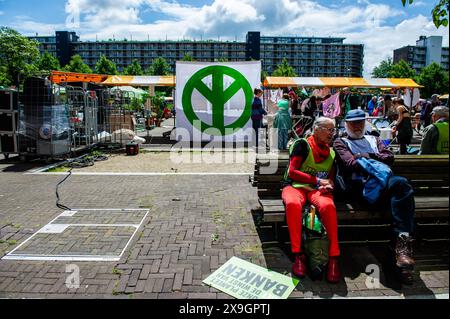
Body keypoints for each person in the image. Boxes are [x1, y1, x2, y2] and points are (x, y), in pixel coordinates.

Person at [333, 109, 416, 284]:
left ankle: (401, 245)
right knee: (402, 194)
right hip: (361, 189)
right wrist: (375, 159)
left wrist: (366, 156)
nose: (357, 126)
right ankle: (400, 250)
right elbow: (350, 164)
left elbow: (390, 157)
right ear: (346, 124)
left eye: (360, 122)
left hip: (384, 186)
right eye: (353, 123)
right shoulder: (341, 142)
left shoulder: (374, 139)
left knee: (401, 186)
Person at [282, 117, 341, 283]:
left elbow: (330, 178)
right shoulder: (302, 144)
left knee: (328, 206)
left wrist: (328, 185)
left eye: (333, 130)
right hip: (295, 186)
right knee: (293, 204)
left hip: (316, 190)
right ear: (317, 129)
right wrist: (317, 181)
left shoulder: (331, 152)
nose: (332, 133)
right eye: (328, 129)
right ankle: (298, 254)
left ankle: (334, 257)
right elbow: (292, 172)